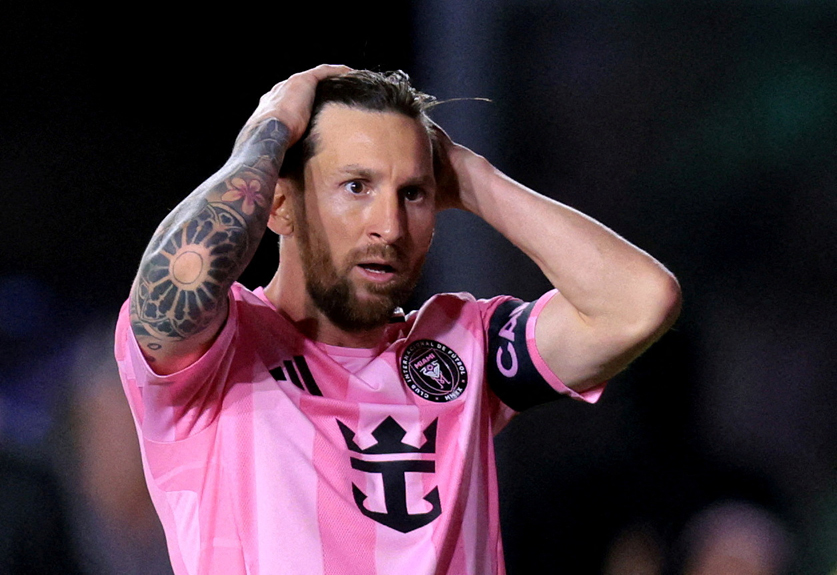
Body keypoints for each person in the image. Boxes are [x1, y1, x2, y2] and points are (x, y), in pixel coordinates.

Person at [114, 64, 681, 575]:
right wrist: (272, 129)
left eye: (412, 193)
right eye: (356, 187)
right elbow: (183, 273)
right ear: (278, 205)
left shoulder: (463, 346)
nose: (389, 225)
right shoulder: (218, 351)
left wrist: (472, 176)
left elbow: (638, 303)